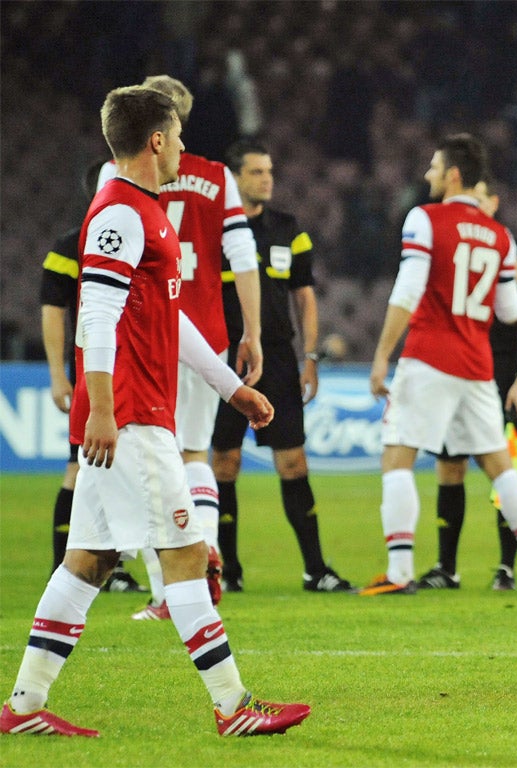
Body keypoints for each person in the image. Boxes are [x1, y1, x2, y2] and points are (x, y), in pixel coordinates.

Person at [1, 85, 308, 738]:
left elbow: (172, 319)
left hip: (134, 412)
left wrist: (232, 388)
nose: (187, 149)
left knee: (88, 561)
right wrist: (106, 411)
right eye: (180, 137)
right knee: (188, 556)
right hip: (132, 417)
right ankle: (233, 707)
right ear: (158, 141)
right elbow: (98, 316)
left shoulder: (144, 208)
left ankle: (23, 708)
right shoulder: (120, 213)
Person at [99, 74, 264, 621]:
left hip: (145, 340)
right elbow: (243, 258)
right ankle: (200, 562)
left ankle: (170, 589)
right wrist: (252, 332)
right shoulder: (218, 178)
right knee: (192, 455)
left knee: (152, 460)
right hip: (205, 332)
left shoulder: (117, 177)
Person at [359, 134, 517, 596]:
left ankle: (400, 571)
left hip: (428, 357)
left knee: (397, 457)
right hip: (477, 366)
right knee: (501, 467)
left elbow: (407, 291)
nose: (427, 175)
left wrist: (383, 354)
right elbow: (509, 311)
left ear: (453, 174)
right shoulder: (500, 235)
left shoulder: (425, 220)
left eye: (433, 167)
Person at [211, 139, 353, 594]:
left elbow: (304, 298)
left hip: (277, 360)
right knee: (223, 464)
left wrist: (309, 358)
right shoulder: (211, 229)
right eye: (255, 172)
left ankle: (315, 570)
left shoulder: (288, 229)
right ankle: (226, 570)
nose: (266, 179)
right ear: (233, 178)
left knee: (293, 462)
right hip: (221, 361)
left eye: (268, 171)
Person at [412, 176, 517, 594]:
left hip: (502, 376)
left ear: (494, 200)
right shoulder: (452, 246)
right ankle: (446, 567)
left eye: (482, 196)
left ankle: (507, 567)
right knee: (449, 466)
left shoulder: (513, 250)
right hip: (459, 368)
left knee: (504, 470)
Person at [40, 160, 145, 593]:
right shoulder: (70, 247)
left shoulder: (133, 236)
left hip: (133, 371)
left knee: (116, 471)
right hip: (92, 373)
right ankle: (65, 566)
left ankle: (109, 565)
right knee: (80, 469)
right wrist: (57, 374)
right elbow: (53, 311)